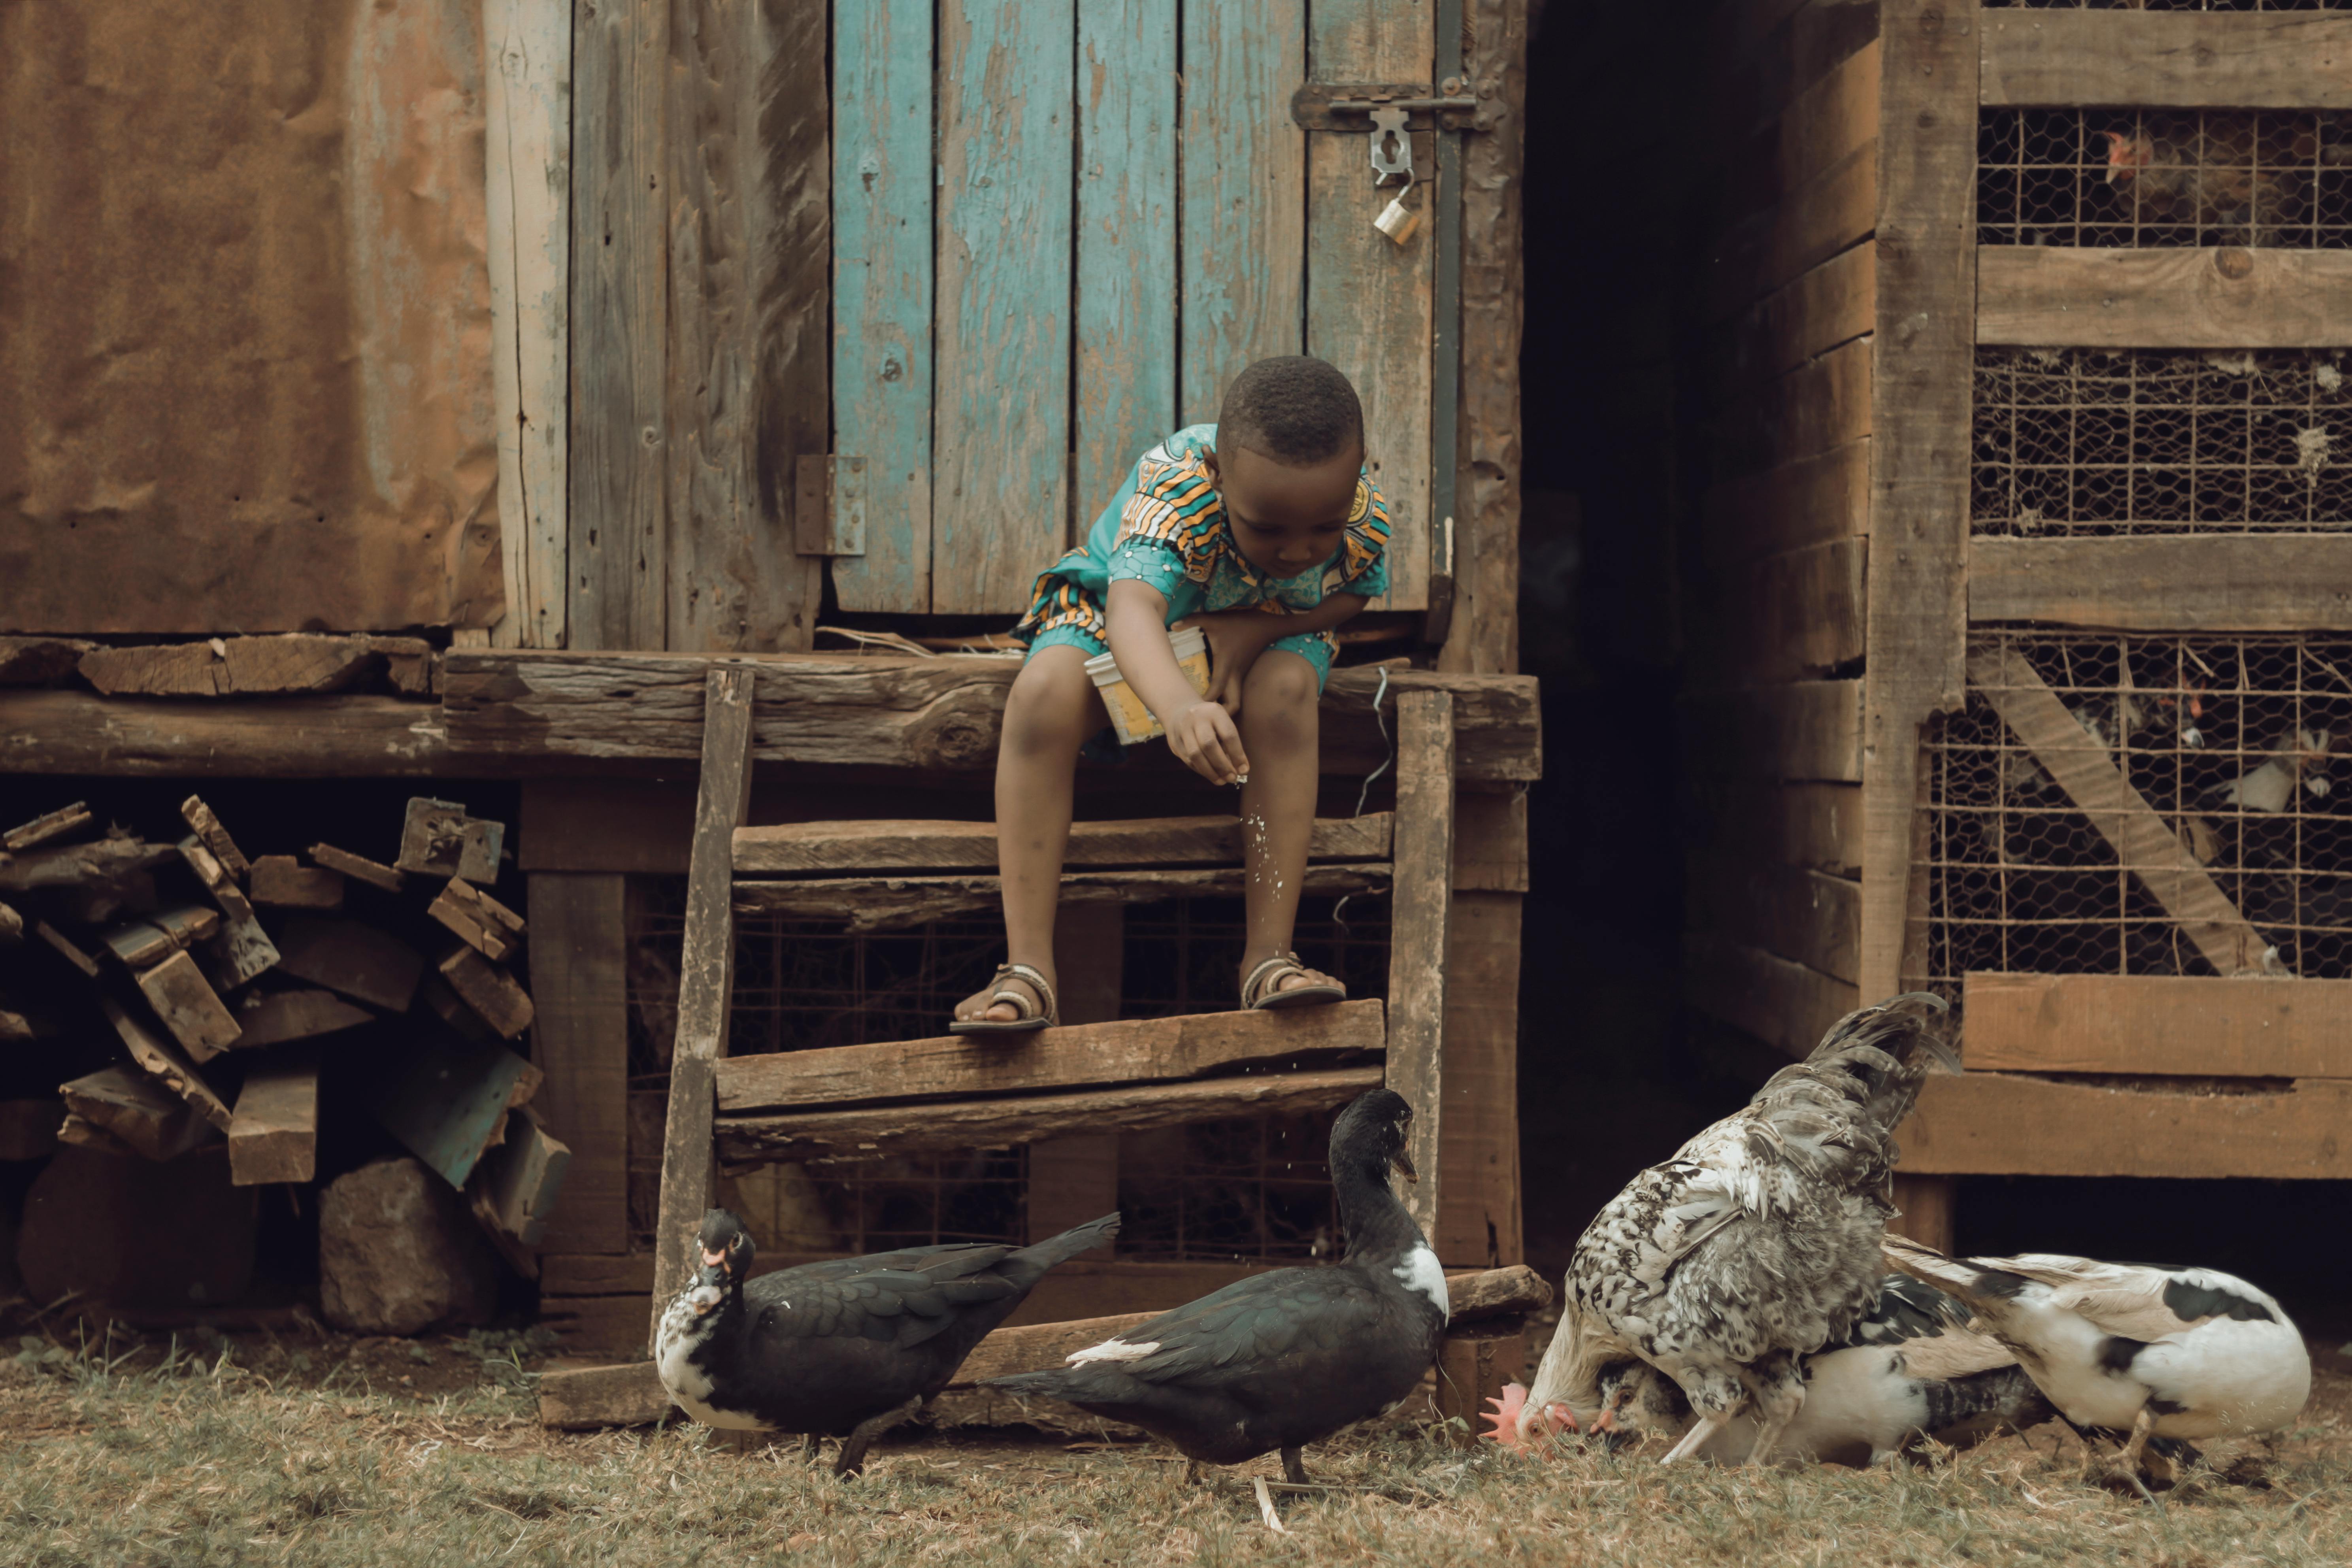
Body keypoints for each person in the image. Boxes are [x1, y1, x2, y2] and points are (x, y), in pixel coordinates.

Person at [951, 356, 1392, 1033]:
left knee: (1287, 691)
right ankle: (1028, 970)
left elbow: (1358, 590)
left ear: (1361, 474)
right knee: (1041, 696)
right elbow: (1133, 613)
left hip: (1271, 623)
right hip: (1126, 622)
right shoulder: (1177, 487)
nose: (1300, 551)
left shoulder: (1358, 504)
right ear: (1217, 475)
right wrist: (1180, 708)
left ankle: (1270, 959)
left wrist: (1253, 631)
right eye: (1268, 528)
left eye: (1322, 530)